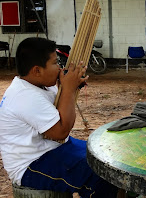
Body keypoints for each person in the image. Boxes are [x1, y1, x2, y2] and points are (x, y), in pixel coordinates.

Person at [0, 37, 118, 197]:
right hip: (32, 164)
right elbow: (61, 132)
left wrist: (71, 85)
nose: (60, 68)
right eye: (55, 63)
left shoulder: (39, 85)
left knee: (106, 157)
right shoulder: (25, 96)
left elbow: (61, 110)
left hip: (54, 149)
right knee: (99, 175)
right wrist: (68, 89)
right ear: (37, 70)